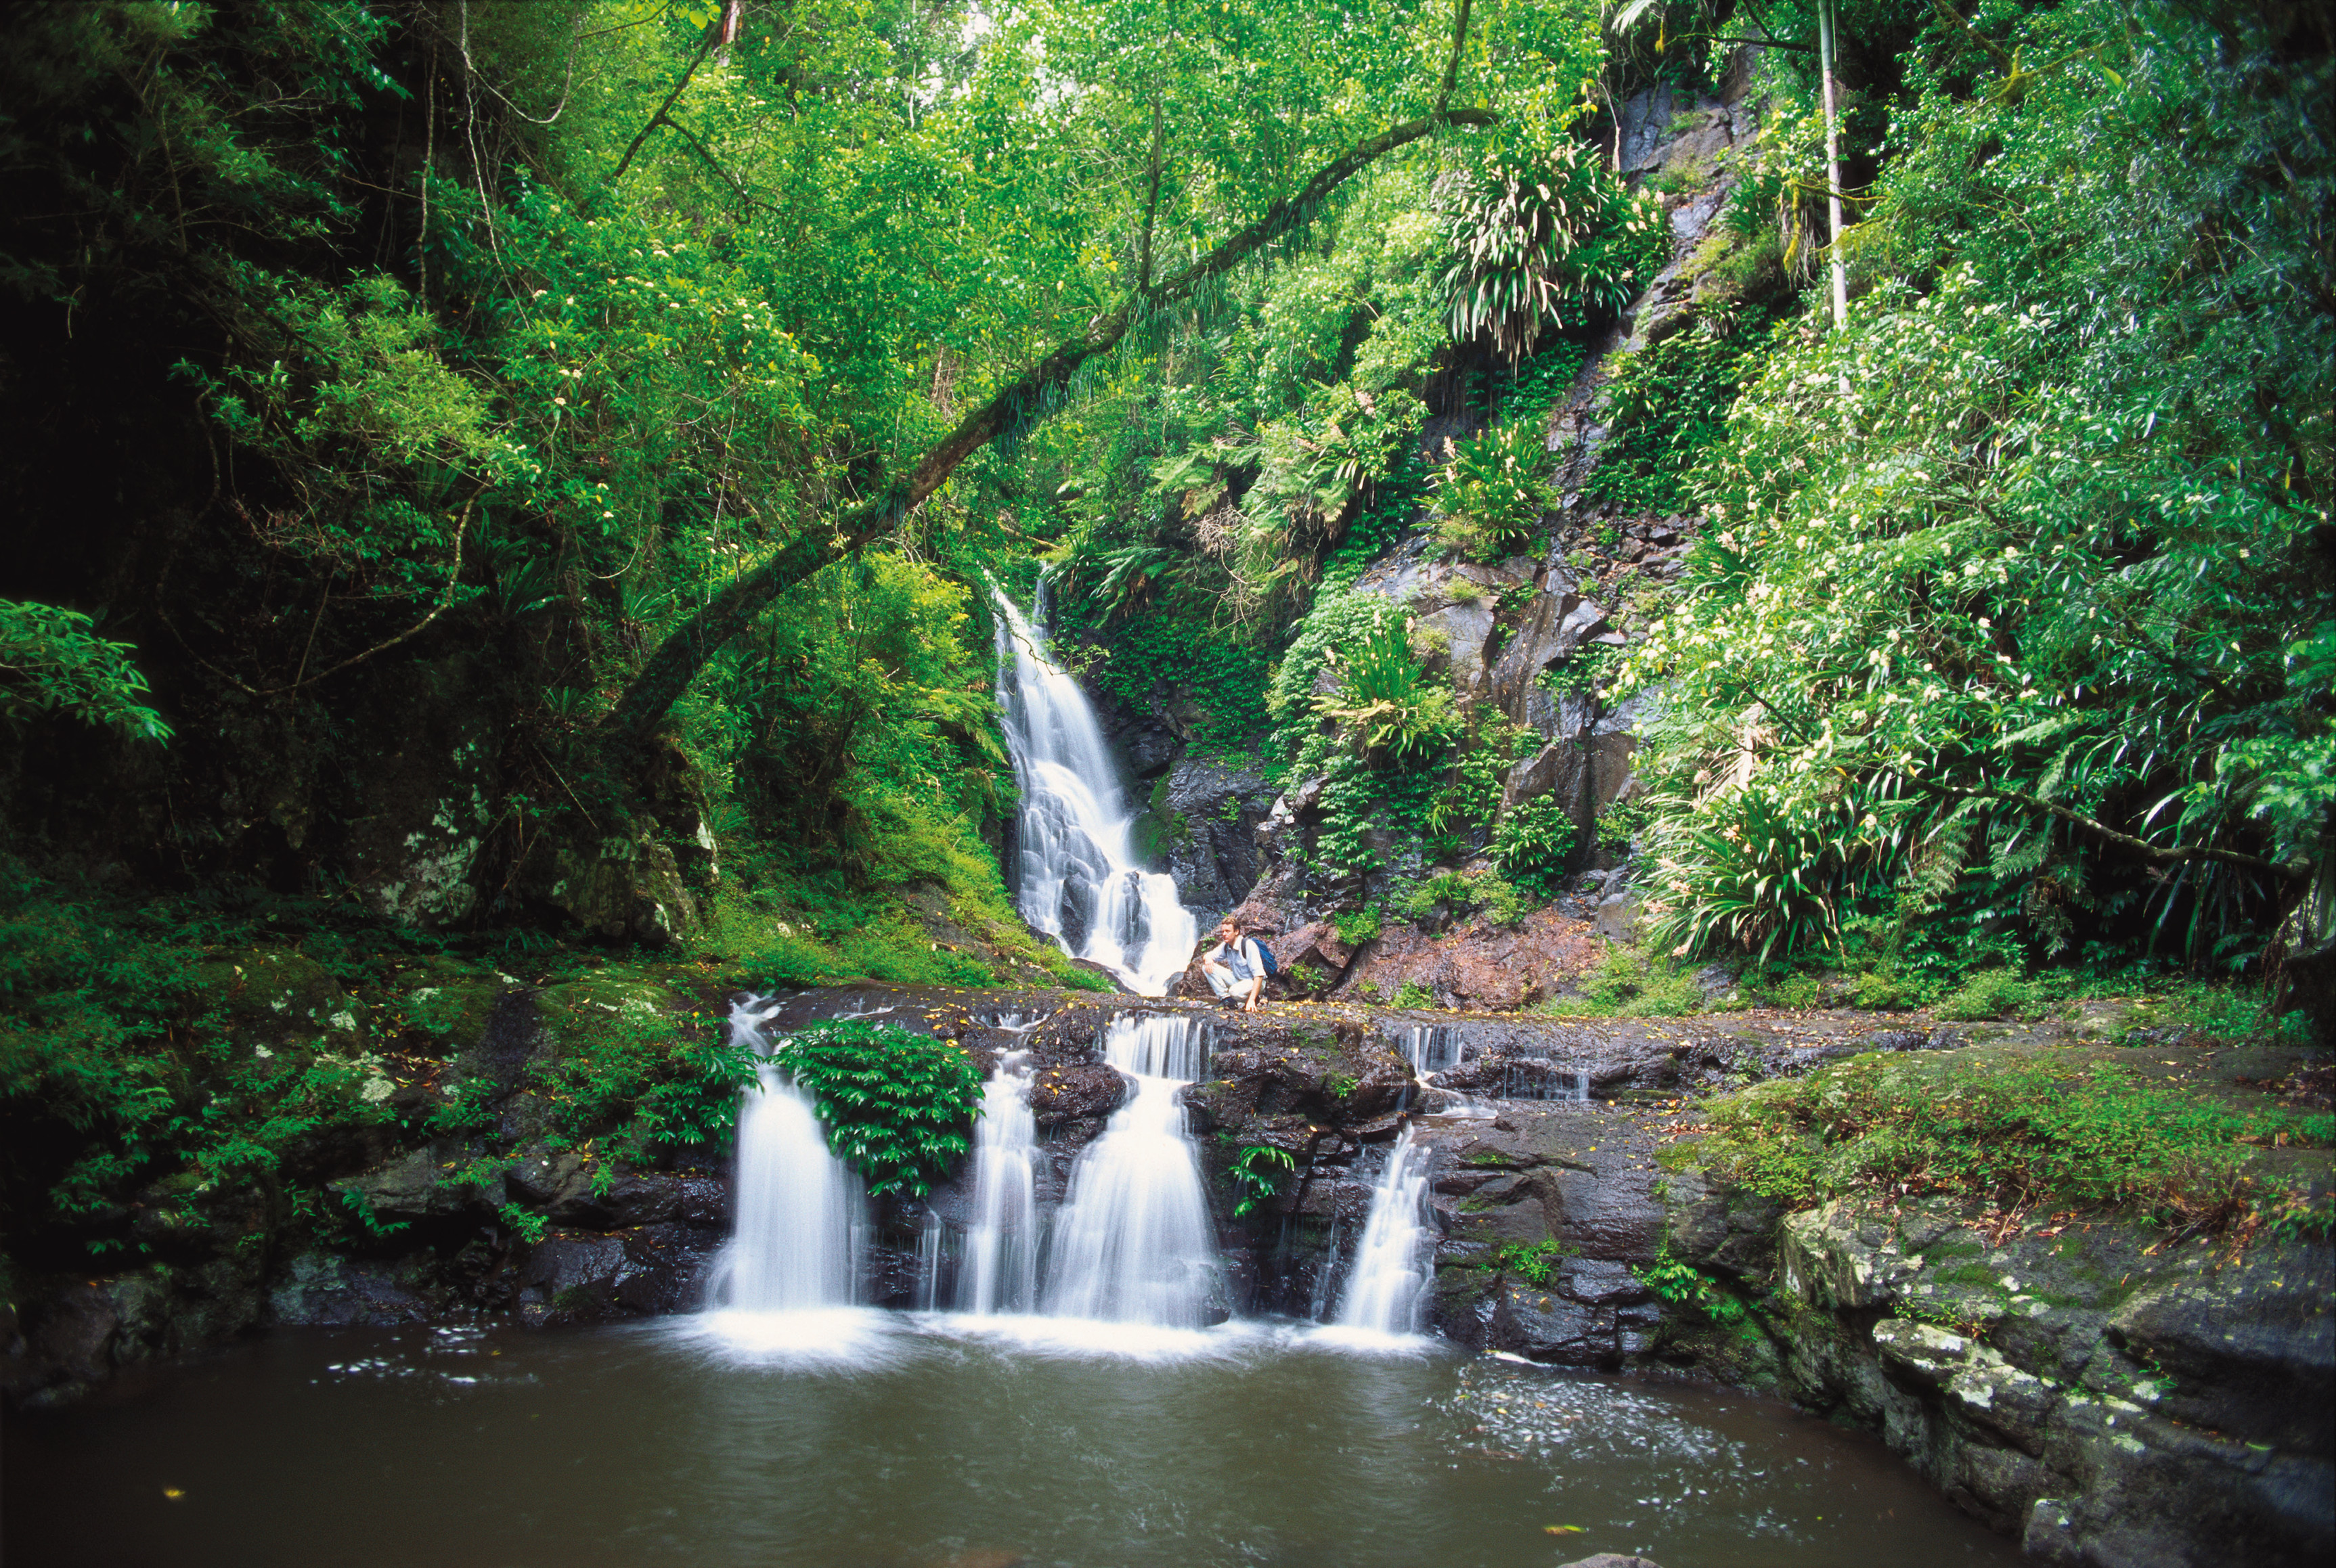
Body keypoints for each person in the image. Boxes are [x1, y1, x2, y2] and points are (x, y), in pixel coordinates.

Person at [1200, 919, 1269, 1012]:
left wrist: (1251, 1000)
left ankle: (1256, 999)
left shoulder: (1248, 945)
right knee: (1206, 967)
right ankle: (1227, 1000)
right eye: (1223, 931)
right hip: (1238, 980)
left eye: (1228, 931)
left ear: (1236, 932)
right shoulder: (1226, 945)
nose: (1224, 934)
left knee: (1234, 991)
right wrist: (1208, 958)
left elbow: (1259, 975)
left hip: (1255, 983)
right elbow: (1208, 955)